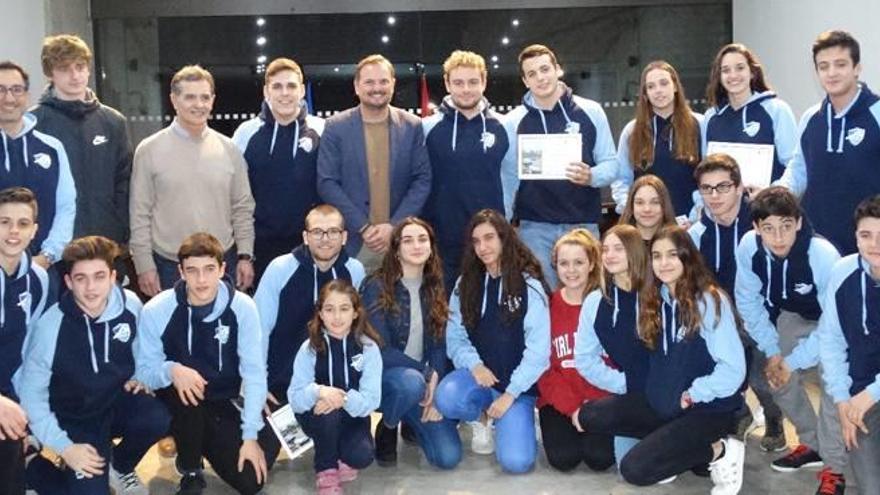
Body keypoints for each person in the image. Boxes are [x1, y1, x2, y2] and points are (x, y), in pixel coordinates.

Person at [575, 226, 746, 493]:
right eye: (656, 256)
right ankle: (672, 448)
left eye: (671, 255)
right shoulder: (659, 299)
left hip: (706, 408)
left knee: (634, 470)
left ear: (687, 257)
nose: (663, 263)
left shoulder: (709, 301)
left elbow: (734, 370)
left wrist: (693, 394)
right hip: (666, 406)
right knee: (591, 415)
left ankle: (721, 449)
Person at [20, 236, 169, 495]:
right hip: (74, 418)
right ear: (68, 282)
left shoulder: (131, 305)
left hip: (113, 404)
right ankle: (31, 464)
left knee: (157, 417)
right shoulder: (50, 327)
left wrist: (139, 377)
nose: (91, 288)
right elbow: (31, 396)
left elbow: (142, 355)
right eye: (81, 278)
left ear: (113, 277)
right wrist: (64, 446)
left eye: (99, 276)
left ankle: (119, 467)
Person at [135, 233, 273, 495]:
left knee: (251, 482)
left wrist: (250, 437)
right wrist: (172, 370)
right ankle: (190, 468)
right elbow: (144, 371)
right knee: (188, 393)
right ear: (180, 272)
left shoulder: (243, 308)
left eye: (209, 269)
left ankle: (197, 440)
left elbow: (254, 372)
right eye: (192, 271)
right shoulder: (157, 310)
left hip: (224, 398)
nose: (201, 280)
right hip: (180, 396)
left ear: (222, 269)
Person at [735, 186, 845, 494]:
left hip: (833, 324)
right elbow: (748, 302)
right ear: (756, 228)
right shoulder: (749, 247)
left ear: (798, 222)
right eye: (768, 229)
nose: (778, 237)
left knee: (834, 384)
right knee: (776, 378)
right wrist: (773, 354)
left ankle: (835, 467)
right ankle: (813, 445)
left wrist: (793, 361)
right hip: (792, 316)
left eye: (786, 226)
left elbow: (833, 326)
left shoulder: (823, 256)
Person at [434, 209, 550, 473]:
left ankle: (520, 417)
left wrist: (511, 394)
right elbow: (455, 337)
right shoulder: (466, 284)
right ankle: (482, 416)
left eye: (489, 238)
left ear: (504, 238)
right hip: (481, 379)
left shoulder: (529, 286)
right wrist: (475, 366)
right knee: (447, 398)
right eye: (476, 241)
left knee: (516, 463)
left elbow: (539, 353)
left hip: (516, 388)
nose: (483, 247)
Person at [130, 65, 256, 295]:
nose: (199, 105)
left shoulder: (230, 150)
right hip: (168, 266)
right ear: (174, 100)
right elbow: (140, 213)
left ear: (213, 100)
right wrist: (144, 265)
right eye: (190, 97)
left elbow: (242, 207)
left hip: (221, 263)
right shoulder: (149, 150)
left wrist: (245, 255)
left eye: (204, 97)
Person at [253, 204, 364, 463]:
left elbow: (357, 332)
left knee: (359, 455)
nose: (325, 239)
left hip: (332, 385)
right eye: (317, 232)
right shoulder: (280, 269)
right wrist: (257, 384)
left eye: (333, 232)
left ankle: (327, 438)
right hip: (281, 386)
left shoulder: (355, 271)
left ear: (344, 237)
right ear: (305, 236)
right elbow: (258, 331)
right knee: (262, 464)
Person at [501, 44, 618, 287]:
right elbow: (509, 179)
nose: (540, 78)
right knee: (542, 298)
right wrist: (505, 224)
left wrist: (591, 176)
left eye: (545, 69)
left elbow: (611, 165)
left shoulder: (591, 111)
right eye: (532, 74)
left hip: (582, 224)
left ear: (558, 70)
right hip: (534, 229)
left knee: (588, 297)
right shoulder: (513, 121)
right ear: (525, 81)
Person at [689, 153, 785, 449]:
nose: (714, 196)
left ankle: (774, 418)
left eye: (723, 187)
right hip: (721, 319)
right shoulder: (697, 233)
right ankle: (740, 412)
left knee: (760, 378)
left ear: (740, 187)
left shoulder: (761, 225)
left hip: (763, 316)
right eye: (707, 189)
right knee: (702, 363)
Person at [31, 34, 133, 284]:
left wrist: (120, 233)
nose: (75, 75)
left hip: (106, 247)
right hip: (53, 254)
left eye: (80, 67)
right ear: (50, 73)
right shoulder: (33, 124)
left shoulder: (113, 122)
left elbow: (125, 183)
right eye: (65, 69)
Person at [360, 218, 460, 469]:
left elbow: (439, 345)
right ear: (396, 249)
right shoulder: (376, 286)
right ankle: (388, 425)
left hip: (422, 382)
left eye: (422, 239)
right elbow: (380, 349)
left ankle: (409, 417)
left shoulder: (436, 286)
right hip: (389, 379)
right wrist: (425, 374)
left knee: (448, 457)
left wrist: (435, 385)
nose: (416, 245)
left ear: (431, 246)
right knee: (410, 382)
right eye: (408, 240)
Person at [317, 54, 431, 272]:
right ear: (357, 87)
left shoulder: (412, 126)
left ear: (393, 84)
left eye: (383, 81)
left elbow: (422, 179)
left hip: (399, 242)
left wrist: (395, 226)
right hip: (355, 241)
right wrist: (363, 227)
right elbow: (327, 182)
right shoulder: (335, 127)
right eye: (369, 82)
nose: (376, 88)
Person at [778, 30, 880, 256]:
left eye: (840, 64)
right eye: (823, 66)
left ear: (857, 68)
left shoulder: (877, 113)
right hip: (818, 244)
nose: (831, 73)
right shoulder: (811, 118)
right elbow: (798, 170)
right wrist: (775, 193)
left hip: (869, 246)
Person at [422, 50, 509, 289]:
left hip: (490, 241)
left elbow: (513, 179)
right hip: (443, 241)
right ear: (447, 84)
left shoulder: (504, 126)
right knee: (445, 312)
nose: (466, 89)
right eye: (458, 83)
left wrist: (508, 223)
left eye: (473, 82)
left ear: (484, 82)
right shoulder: (427, 128)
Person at [233, 57, 324, 282]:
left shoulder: (321, 130)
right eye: (277, 86)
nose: (285, 93)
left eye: (291, 86)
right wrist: (244, 253)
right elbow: (234, 194)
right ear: (266, 91)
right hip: (261, 247)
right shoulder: (246, 133)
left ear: (302, 90)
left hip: (310, 245)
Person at [289, 280, 382, 495]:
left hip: (353, 417)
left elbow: (371, 400)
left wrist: (344, 399)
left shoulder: (368, 348)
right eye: (329, 310)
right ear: (320, 314)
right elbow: (295, 397)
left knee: (362, 457)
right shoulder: (310, 348)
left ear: (356, 313)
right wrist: (319, 392)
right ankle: (326, 470)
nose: (337, 317)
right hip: (318, 417)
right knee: (328, 414)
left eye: (344, 309)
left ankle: (339, 452)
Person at [536, 229, 614, 472]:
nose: (571, 270)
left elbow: (616, 363)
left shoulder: (607, 305)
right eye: (564, 263)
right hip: (559, 400)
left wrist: (594, 404)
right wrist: (573, 408)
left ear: (592, 264)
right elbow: (543, 369)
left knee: (600, 459)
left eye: (579, 262)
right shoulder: (546, 307)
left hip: (600, 398)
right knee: (564, 459)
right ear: (555, 266)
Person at [574, 224, 651, 467]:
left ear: (635, 251)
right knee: (626, 465)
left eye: (618, 248)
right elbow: (585, 359)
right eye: (605, 249)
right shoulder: (596, 301)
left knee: (700, 467)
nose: (609, 255)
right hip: (630, 395)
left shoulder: (659, 293)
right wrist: (623, 383)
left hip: (668, 393)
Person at [819, 195, 880, 495]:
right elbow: (831, 339)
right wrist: (843, 401)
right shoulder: (843, 271)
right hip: (862, 398)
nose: (874, 244)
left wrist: (869, 395)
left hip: (870, 394)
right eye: (866, 235)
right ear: (855, 237)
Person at [0, 60, 75, 283]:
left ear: (27, 95)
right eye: (1, 90)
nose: (9, 98)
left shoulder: (52, 148)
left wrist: (47, 257)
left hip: (42, 270)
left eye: (16, 90)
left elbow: (66, 207)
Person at [0, 187, 49, 495]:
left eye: (22, 223)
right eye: (4, 222)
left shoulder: (38, 279)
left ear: (34, 230)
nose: (13, 231)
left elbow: (32, 347)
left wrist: (28, 402)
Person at [613, 61, 701, 218]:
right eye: (651, 86)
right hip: (647, 226)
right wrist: (633, 212)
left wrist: (697, 215)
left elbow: (709, 176)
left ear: (675, 86)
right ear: (645, 94)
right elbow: (621, 179)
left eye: (664, 83)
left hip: (691, 225)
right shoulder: (631, 131)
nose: (658, 91)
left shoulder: (700, 124)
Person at [703, 43, 797, 184]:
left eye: (740, 68)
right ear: (719, 76)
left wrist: (774, 192)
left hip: (767, 204)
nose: (733, 75)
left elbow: (794, 164)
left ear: (752, 72)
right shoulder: (711, 117)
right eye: (726, 70)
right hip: (723, 205)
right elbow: (706, 168)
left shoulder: (777, 110)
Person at [618, 175, 677, 244]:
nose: (647, 209)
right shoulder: (617, 242)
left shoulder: (678, 241)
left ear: (664, 205)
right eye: (640, 203)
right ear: (631, 206)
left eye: (655, 202)